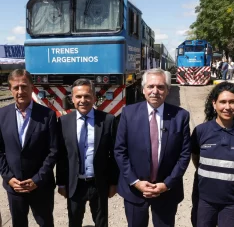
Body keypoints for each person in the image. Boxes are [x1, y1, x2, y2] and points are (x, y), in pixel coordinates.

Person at [115, 68, 191, 227]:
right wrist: (135, 182)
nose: (155, 91)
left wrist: (167, 184)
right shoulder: (128, 113)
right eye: (150, 86)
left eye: (160, 87)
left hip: (166, 192)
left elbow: (184, 155)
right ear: (143, 90)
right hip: (135, 191)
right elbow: (120, 151)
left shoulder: (181, 116)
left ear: (168, 90)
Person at [191, 82, 234, 227]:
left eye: (232, 102)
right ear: (214, 104)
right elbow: (196, 158)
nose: (227, 107)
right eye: (222, 102)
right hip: (204, 200)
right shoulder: (201, 131)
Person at [56, 78, 119, 227]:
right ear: (72, 99)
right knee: (74, 222)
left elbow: (114, 155)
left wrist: (114, 182)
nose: (83, 100)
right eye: (78, 96)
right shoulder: (64, 122)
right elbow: (62, 156)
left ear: (94, 98)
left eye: (87, 96)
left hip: (99, 183)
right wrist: (61, 183)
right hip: (75, 184)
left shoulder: (108, 121)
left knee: (101, 222)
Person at [0, 69, 57, 227]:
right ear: (10, 89)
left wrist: (37, 179)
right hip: (14, 186)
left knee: (45, 223)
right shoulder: (2, 115)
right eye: (16, 87)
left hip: (41, 186)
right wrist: (9, 178)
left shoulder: (48, 115)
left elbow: (53, 151)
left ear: (32, 87)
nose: (20, 91)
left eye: (24, 86)